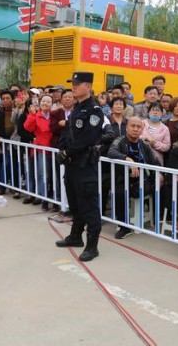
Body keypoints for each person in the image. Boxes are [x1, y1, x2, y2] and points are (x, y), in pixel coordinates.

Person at [55, 72, 104, 262]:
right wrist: (62, 149)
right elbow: (68, 131)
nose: (73, 87)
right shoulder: (76, 108)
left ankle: (92, 246)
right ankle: (75, 236)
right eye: (73, 84)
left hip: (85, 164)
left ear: (88, 87)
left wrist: (68, 152)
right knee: (75, 202)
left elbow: (87, 138)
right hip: (72, 164)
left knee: (89, 205)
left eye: (77, 84)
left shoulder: (94, 110)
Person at [108, 116, 161, 239]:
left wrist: (161, 175)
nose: (136, 129)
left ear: (142, 130)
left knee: (162, 187)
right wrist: (128, 159)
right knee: (119, 192)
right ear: (126, 128)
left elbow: (155, 162)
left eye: (139, 127)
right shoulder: (119, 140)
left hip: (144, 181)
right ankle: (124, 227)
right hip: (124, 180)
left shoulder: (144, 145)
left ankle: (157, 222)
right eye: (133, 126)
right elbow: (111, 152)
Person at [24, 94, 54, 212]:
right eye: (43, 101)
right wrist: (31, 114)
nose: (45, 103)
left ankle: (51, 198)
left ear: (52, 104)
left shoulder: (54, 116)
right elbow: (27, 127)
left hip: (52, 148)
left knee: (52, 175)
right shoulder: (36, 115)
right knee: (42, 175)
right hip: (41, 149)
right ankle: (43, 198)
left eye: (48, 102)